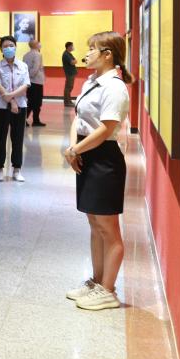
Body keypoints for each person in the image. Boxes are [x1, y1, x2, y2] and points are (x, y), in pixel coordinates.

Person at [63, 32, 132, 311]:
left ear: (107, 55)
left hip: (104, 159)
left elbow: (106, 128)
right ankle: (96, 281)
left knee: (108, 228)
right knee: (94, 223)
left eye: (92, 49)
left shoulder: (114, 87)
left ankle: (109, 290)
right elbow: (78, 117)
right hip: (86, 152)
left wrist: (76, 150)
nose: (86, 53)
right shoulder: (92, 81)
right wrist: (73, 148)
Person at [0, 35, 30, 182]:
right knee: (0, 138)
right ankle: (0, 169)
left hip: (20, 106)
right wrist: (11, 100)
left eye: (11, 45)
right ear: (1, 49)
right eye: (5, 46)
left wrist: (11, 97)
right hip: (1, 106)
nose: (8, 48)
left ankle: (16, 169)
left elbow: (25, 85)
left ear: (15, 47)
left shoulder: (23, 66)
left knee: (18, 138)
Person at [23, 39, 46, 126]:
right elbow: (36, 68)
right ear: (35, 45)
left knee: (30, 101)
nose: (40, 44)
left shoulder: (26, 55)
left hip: (29, 82)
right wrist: (31, 76)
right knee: (36, 102)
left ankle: (31, 119)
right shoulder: (37, 54)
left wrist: (28, 77)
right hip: (36, 81)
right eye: (38, 43)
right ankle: (34, 120)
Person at [62, 41, 78, 107]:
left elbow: (75, 61)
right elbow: (72, 62)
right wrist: (75, 61)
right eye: (72, 46)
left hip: (71, 73)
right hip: (69, 73)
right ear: (69, 47)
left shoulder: (69, 54)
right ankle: (67, 102)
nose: (73, 47)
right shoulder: (66, 54)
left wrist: (75, 61)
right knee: (68, 88)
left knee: (70, 87)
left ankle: (69, 101)